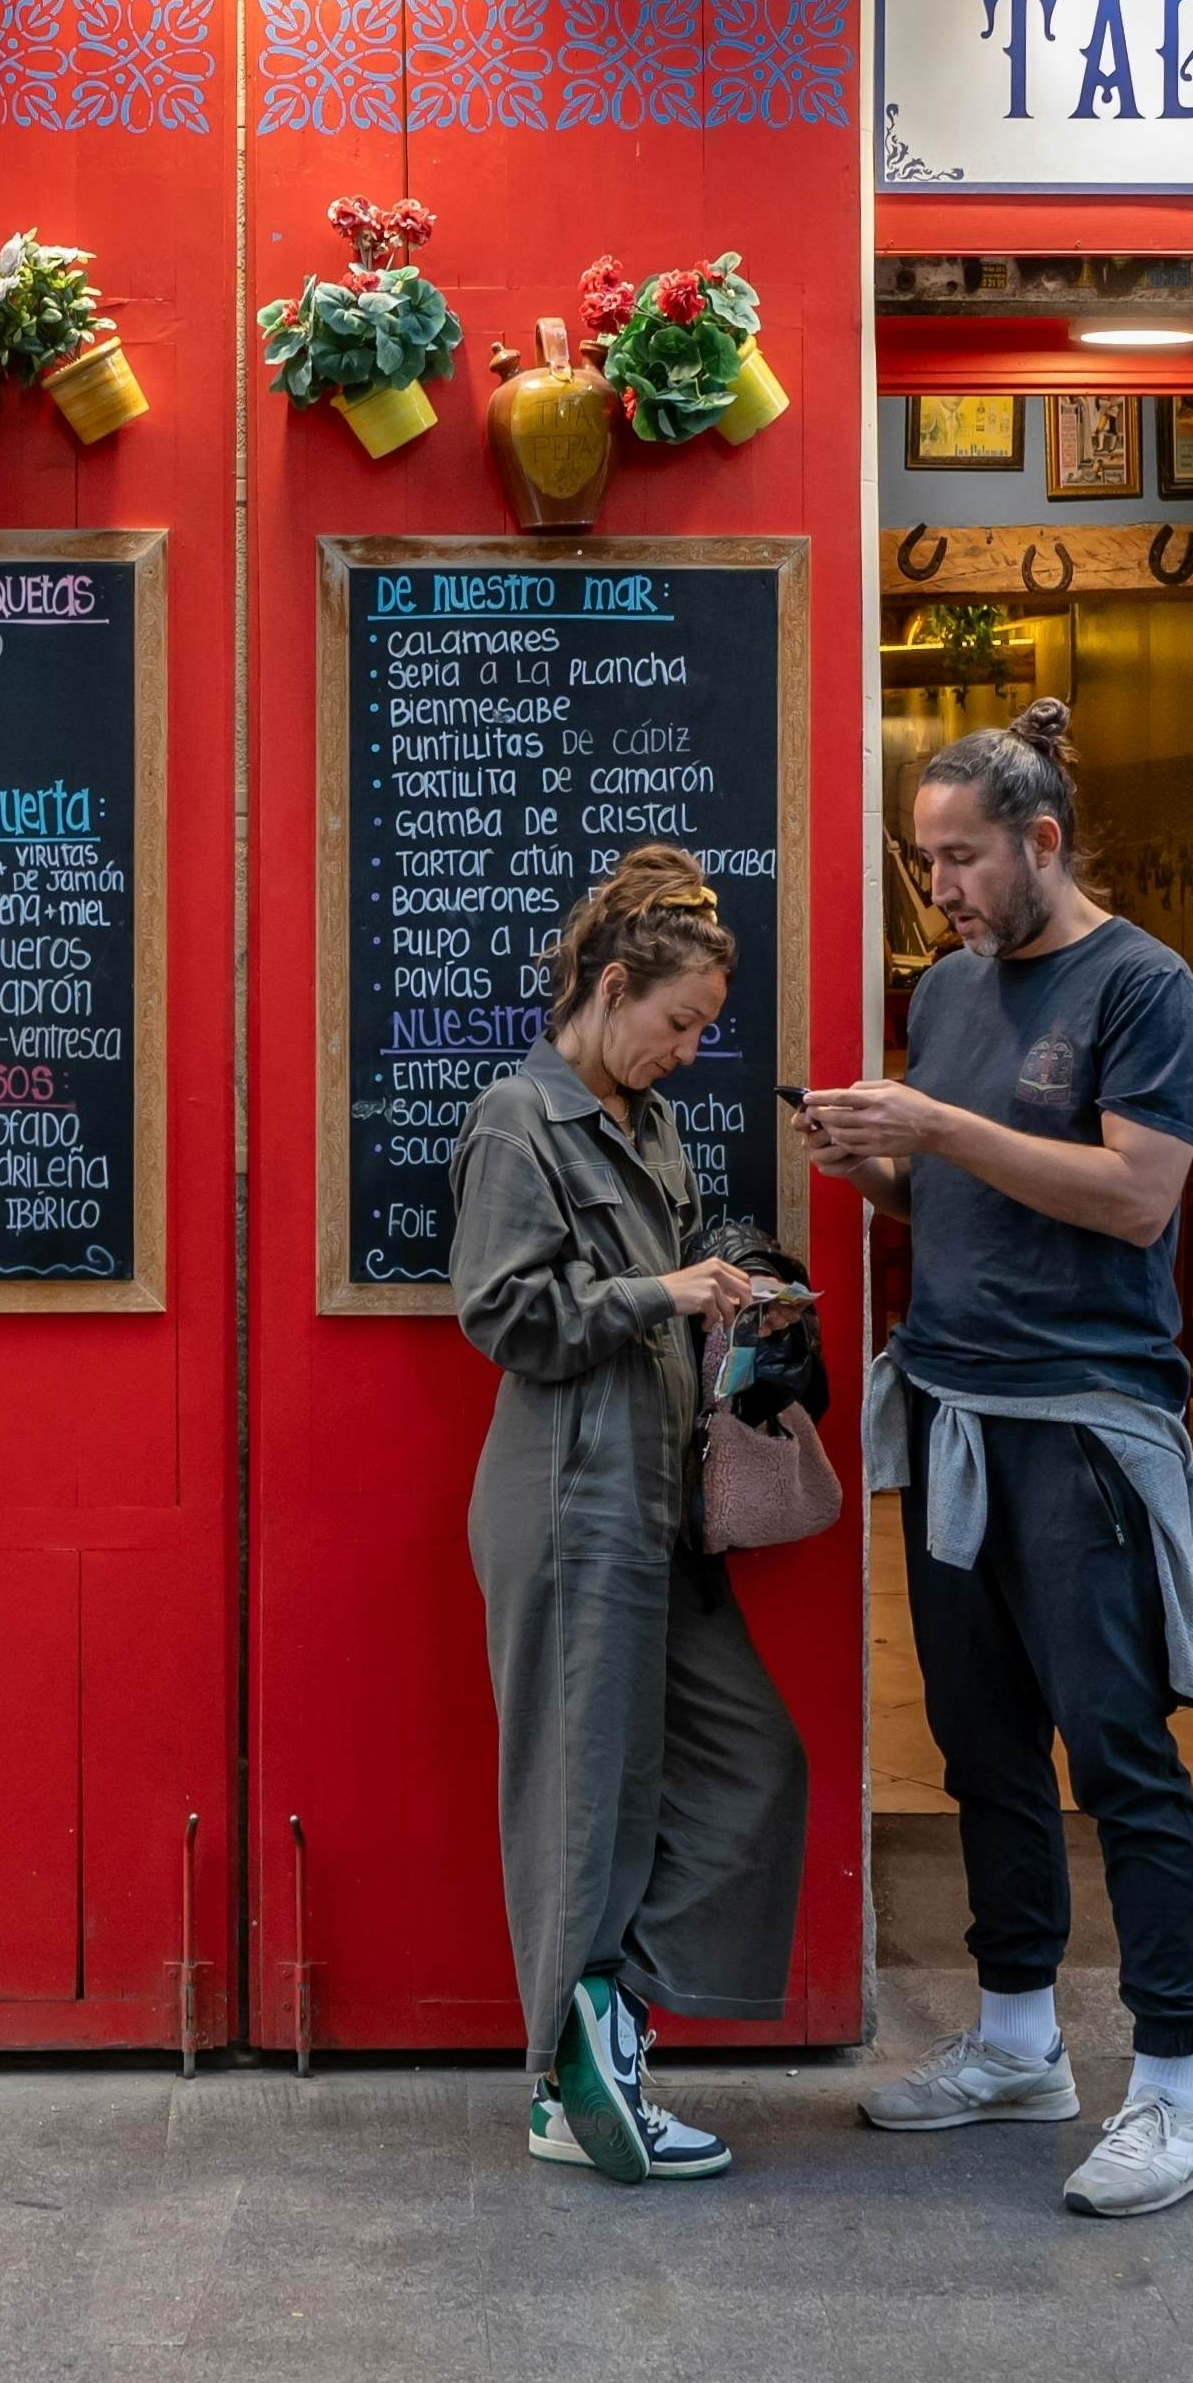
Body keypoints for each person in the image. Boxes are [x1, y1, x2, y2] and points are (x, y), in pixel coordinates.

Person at [796, 699, 1193, 2220]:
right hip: (951, 1410)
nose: (943, 893)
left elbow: (1128, 1198)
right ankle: (1014, 2042)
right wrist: (878, 1173)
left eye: (963, 860)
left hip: (1084, 1427)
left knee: (1117, 1752)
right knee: (979, 1746)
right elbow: (964, 1206)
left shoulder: (1143, 989)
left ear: (1041, 841)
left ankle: (1174, 2091)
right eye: (925, 866)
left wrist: (933, 1126)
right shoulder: (950, 992)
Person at [453, 843, 808, 2187]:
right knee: (580, 1803)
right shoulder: (517, 1118)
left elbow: (669, 1283)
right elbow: (501, 1315)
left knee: (748, 1763)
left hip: (658, 1502)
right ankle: (569, 2088)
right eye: (676, 1024)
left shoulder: (651, 1129)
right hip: (565, 1497)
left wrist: (746, 1296)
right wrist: (664, 1295)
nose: (687, 1052)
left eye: (702, 1031)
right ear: (610, 988)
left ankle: (605, 2021)